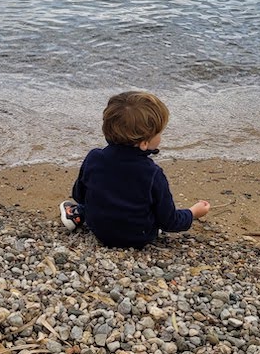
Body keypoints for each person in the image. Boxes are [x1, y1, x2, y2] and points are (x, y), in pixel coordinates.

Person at [60, 90, 210, 248]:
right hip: (139, 236)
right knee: (144, 206)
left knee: (101, 195)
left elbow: (79, 194)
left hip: (98, 229)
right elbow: (169, 221)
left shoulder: (94, 157)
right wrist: (193, 213)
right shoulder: (152, 173)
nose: (161, 137)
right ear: (144, 143)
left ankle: (77, 214)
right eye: (159, 133)